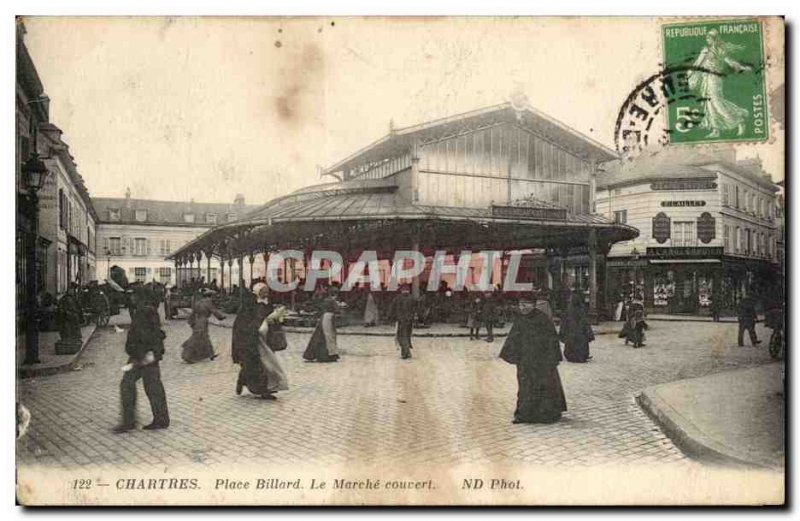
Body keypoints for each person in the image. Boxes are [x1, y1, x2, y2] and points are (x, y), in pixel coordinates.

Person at [499, 297, 567, 424]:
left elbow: (552, 340)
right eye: (520, 305)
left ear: (534, 305)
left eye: (526, 304)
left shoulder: (543, 320)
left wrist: (552, 358)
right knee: (525, 388)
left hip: (542, 362)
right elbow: (513, 339)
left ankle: (545, 414)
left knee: (544, 387)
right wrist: (513, 355)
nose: (523, 307)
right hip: (525, 361)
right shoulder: (520, 320)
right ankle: (523, 414)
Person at [114, 286, 169, 433]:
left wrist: (142, 355)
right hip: (144, 355)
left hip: (144, 356)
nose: (131, 298)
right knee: (149, 386)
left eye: (133, 295)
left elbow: (147, 335)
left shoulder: (145, 311)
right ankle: (159, 419)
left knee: (134, 385)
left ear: (140, 296)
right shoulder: (145, 310)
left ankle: (131, 421)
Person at [232, 284, 289, 399]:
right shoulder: (250, 305)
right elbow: (243, 323)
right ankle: (263, 390)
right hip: (251, 339)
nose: (266, 293)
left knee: (264, 363)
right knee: (258, 364)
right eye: (263, 291)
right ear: (257, 292)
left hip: (265, 338)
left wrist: (276, 318)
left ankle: (245, 381)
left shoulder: (268, 305)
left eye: (267, 290)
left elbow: (270, 320)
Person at [181, 288, 226, 363]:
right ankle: (187, 355)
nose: (214, 298)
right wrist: (221, 317)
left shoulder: (198, 302)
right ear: (210, 296)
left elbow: (192, 313)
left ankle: (210, 354)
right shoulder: (208, 302)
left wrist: (191, 323)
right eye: (213, 296)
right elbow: (214, 311)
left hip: (197, 320)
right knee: (197, 338)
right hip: (203, 320)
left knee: (204, 337)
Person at [303, 286, 341, 362]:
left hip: (323, 317)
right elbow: (337, 310)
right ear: (335, 294)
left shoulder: (325, 300)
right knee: (329, 337)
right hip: (329, 319)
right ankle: (330, 355)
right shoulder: (332, 301)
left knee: (320, 336)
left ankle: (316, 354)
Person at [560, 294, 594, 363]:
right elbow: (586, 325)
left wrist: (562, 334)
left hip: (571, 336)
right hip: (581, 336)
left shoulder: (568, 311)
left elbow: (564, 325)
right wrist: (589, 335)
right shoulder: (582, 311)